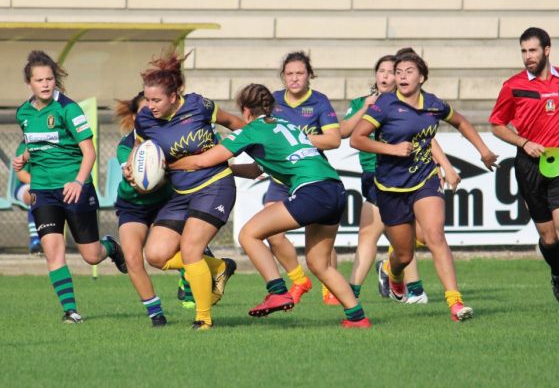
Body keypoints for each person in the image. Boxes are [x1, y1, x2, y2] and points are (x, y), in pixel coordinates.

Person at [170, 83, 371, 328]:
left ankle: (277, 291)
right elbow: (255, 170)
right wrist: (227, 170)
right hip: (335, 189)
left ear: (245, 110)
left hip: (312, 191)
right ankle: (357, 317)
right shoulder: (287, 125)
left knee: (248, 234)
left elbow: (202, 162)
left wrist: (166, 165)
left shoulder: (251, 131)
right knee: (319, 264)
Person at [351, 48, 498, 322]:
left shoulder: (433, 104)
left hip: (425, 178)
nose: (402, 76)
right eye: (398, 72)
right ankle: (392, 272)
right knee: (404, 254)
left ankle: (455, 302)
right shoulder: (384, 104)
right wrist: (392, 149)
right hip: (390, 187)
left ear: (421, 77)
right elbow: (356, 139)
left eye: (409, 72)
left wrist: (484, 151)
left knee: (435, 235)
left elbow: (460, 121)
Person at [127, 50, 245, 330]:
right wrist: (131, 168)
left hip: (215, 185)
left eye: (156, 100)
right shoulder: (144, 120)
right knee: (156, 255)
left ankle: (203, 319)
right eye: (147, 99)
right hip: (181, 194)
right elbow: (140, 150)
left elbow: (235, 124)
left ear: (173, 96)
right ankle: (218, 267)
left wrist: (254, 151)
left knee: (191, 250)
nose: (150, 106)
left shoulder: (199, 105)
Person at [13, 50, 127, 324]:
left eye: (49, 79)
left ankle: (111, 247)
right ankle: (70, 311)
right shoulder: (23, 112)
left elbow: (89, 152)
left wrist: (78, 181)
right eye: (39, 80)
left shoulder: (68, 109)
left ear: (55, 80)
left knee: (91, 256)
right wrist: (24, 157)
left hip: (76, 188)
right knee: (53, 251)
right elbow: (35, 141)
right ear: (29, 83)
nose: (45, 84)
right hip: (42, 190)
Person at [489, 27, 559, 313]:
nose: (528, 56)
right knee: (549, 238)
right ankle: (557, 273)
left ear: (547, 50)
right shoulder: (513, 86)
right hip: (530, 166)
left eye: (533, 50)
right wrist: (524, 142)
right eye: (524, 51)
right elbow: (497, 125)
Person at [342, 54, 460, 303]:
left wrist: (445, 165)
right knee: (371, 235)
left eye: (391, 72)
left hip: (412, 174)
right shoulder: (363, 103)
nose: (386, 76)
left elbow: (426, 138)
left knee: (418, 236)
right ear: (375, 75)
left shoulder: (409, 104)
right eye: (382, 71)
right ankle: (364, 291)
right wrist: (365, 108)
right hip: (376, 175)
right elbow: (345, 132)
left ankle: (395, 277)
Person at [266, 51, 342, 305]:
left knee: (320, 239)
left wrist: (297, 139)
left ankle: (330, 289)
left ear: (309, 75)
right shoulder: (273, 101)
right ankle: (299, 279)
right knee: (272, 233)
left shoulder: (319, 102)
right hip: (281, 178)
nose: (295, 78)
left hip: (312, 177)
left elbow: (333, 139)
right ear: (283, 76)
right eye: (289, 74)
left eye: (300, 73)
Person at [13, 139, 43, 255]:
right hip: (25, 186)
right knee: (34, 196)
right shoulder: (24, 146)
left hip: (48, 186)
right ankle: (35, 241)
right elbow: (22, 175)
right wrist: (43, 183)